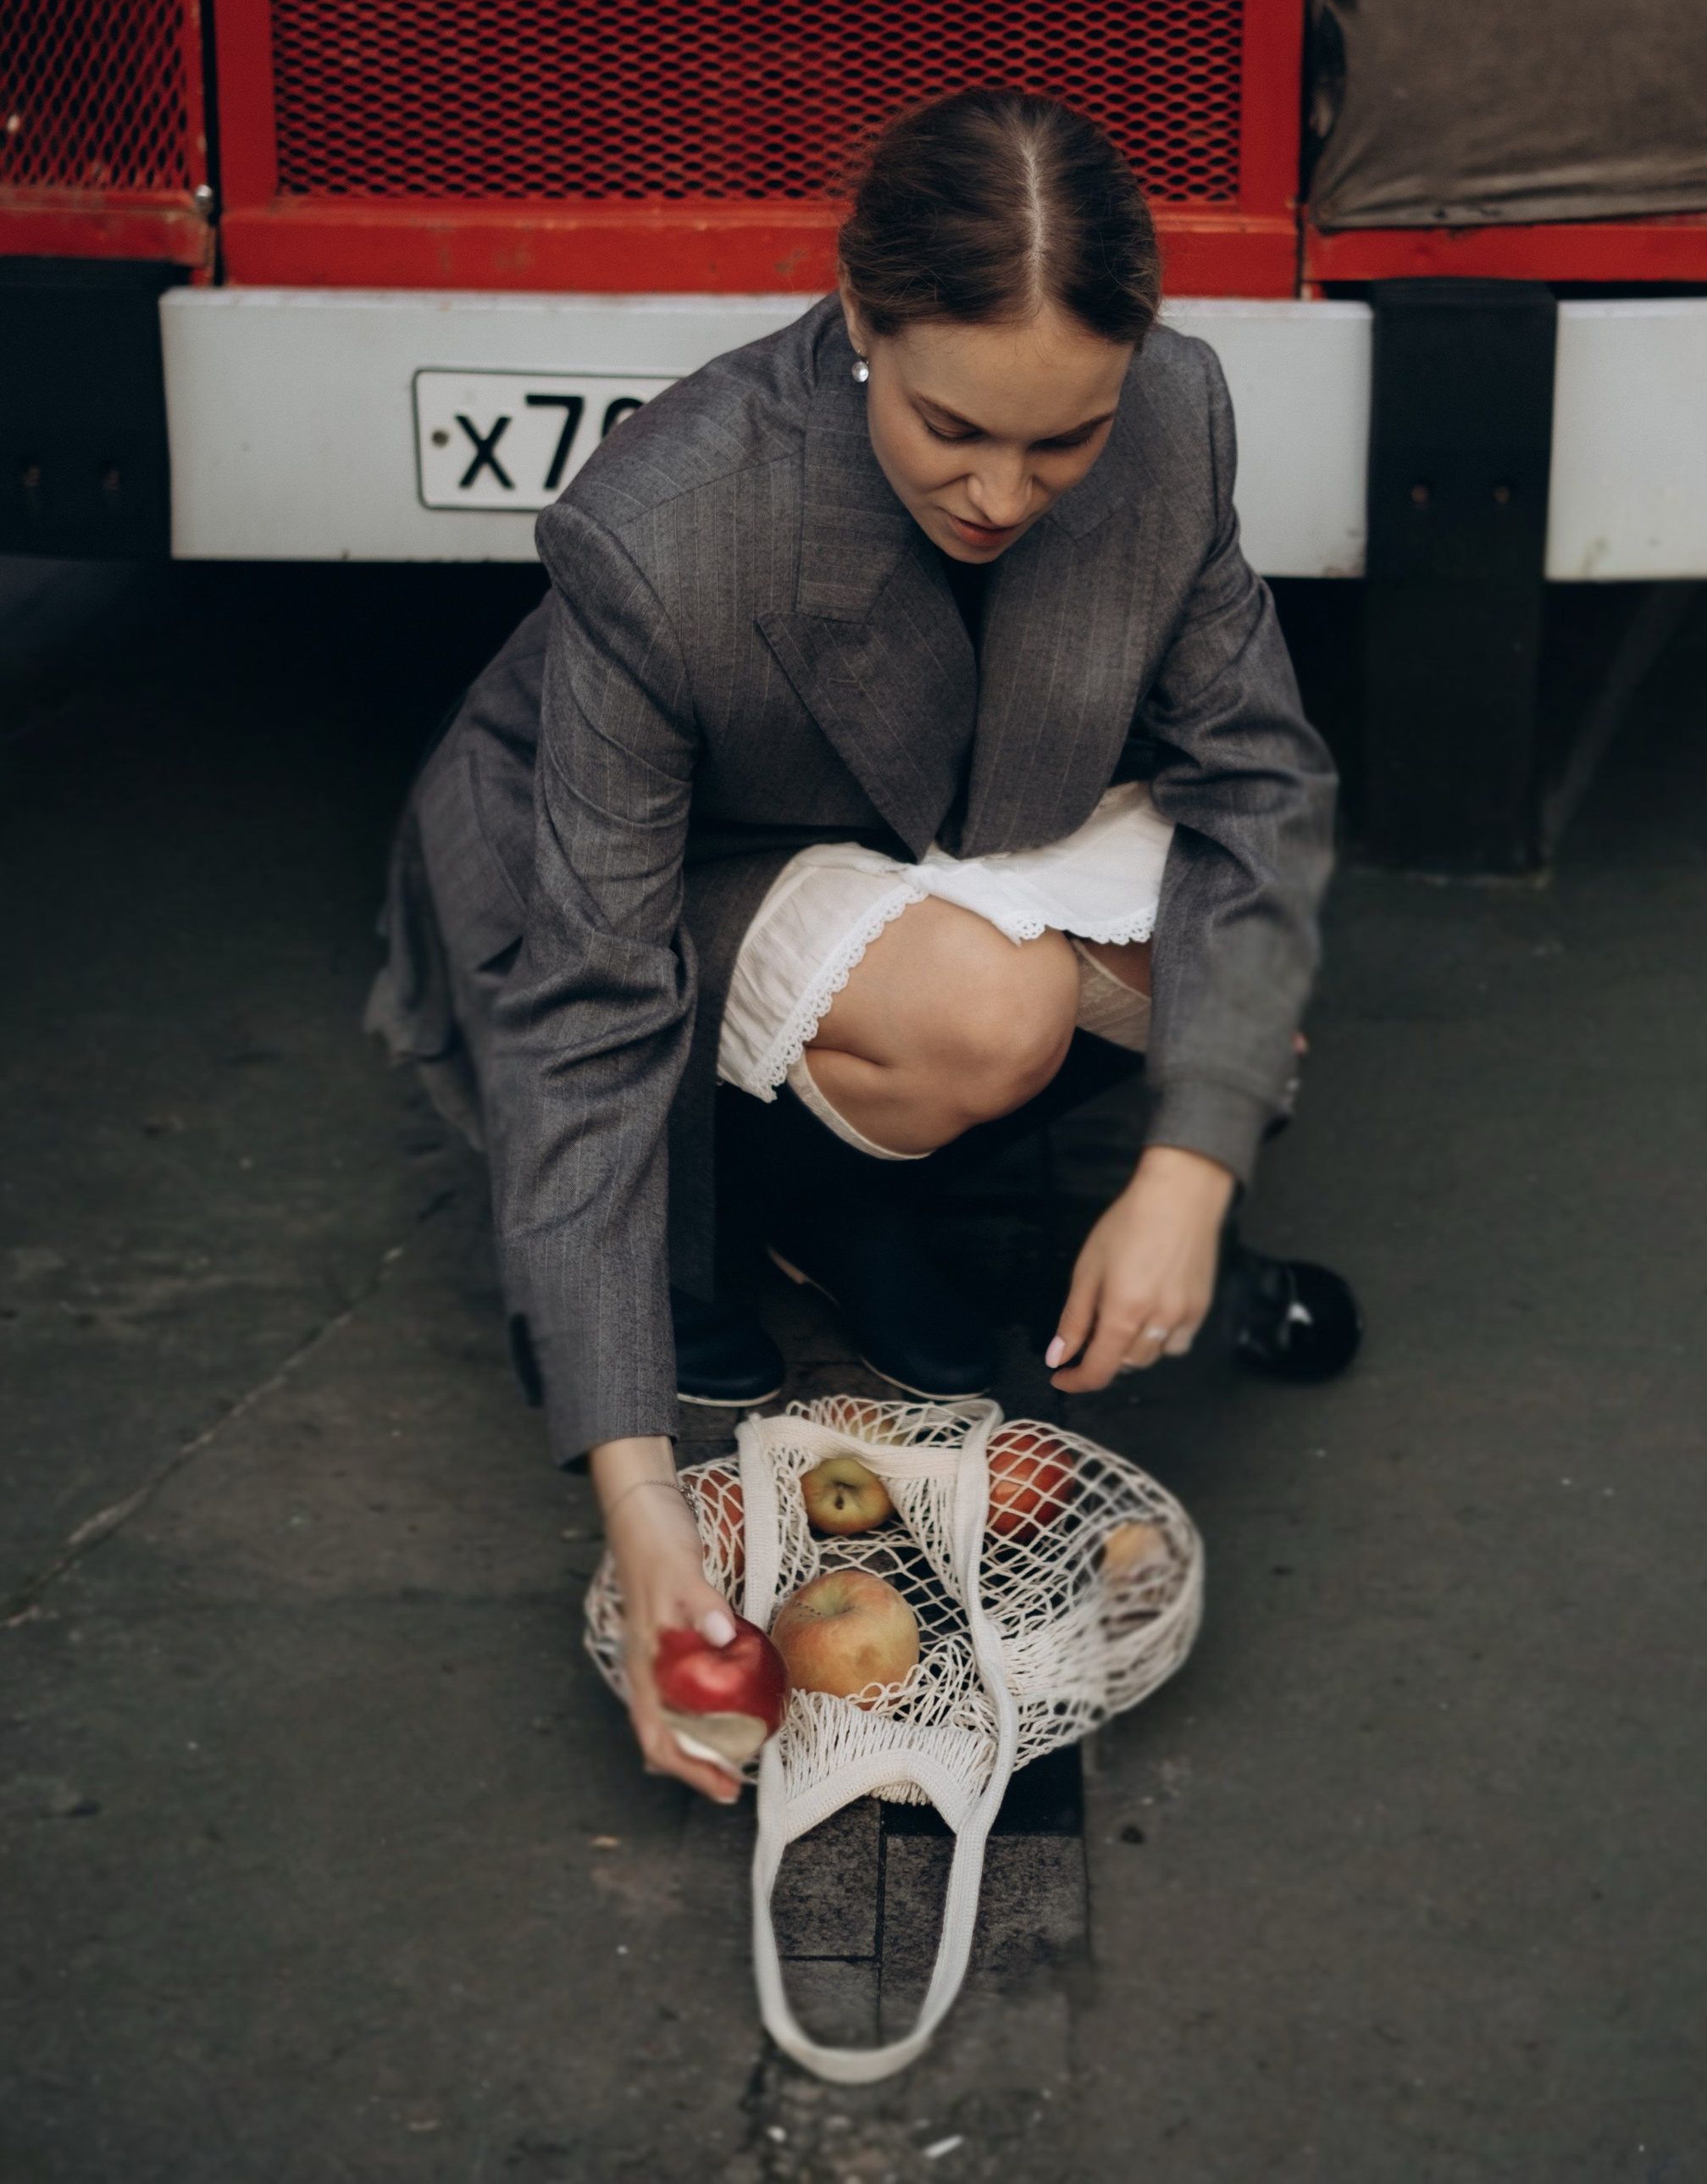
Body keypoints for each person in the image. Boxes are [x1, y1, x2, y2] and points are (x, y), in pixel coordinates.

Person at [372, 86, 1338, 1803]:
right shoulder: (665, 524)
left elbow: (1258, 784)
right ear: (853, 312)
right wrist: (645, 1510)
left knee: (1225, 1003)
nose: (1004, 493)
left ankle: (829, 1198)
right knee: (991, 1008)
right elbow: (587, 1015)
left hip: (936, 812)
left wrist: (1190, 1164)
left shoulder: (1176, 414)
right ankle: (760, 1188)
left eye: (1064, 441)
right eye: (955, 425)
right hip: (663, 862)